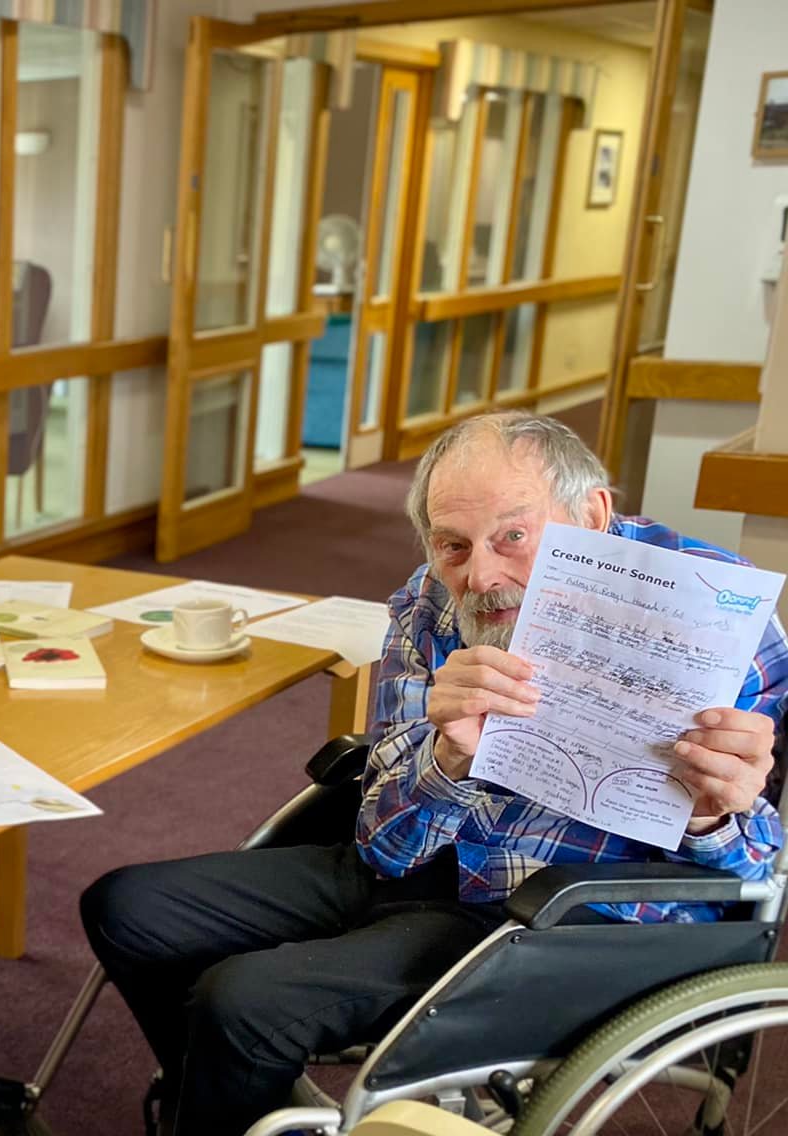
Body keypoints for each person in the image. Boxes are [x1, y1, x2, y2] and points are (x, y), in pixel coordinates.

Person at [81, 411, 787, 1135]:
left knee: (244, 1002)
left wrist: (712, 812)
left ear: (593, 513)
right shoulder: (430, 601)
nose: (481, 574)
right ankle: (225, 1096)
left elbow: (757, 869)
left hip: (555, 915)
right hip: (425, 862)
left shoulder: (719, 619)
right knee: (127, 907)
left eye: (513, 535)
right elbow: (385, 844)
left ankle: (227, 1087)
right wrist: (450, 756)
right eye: (453, 544)